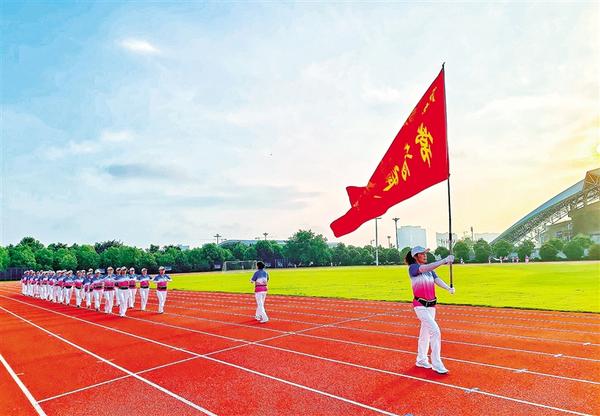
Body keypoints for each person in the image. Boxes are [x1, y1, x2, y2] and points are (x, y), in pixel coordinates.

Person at [405, 246, 455, 374]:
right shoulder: (413, 268)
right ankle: (437, 364)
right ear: (415, 256)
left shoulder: (430, 271)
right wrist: (444, 261)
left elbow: (437, 280)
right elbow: (425, 268)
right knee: (435, 331)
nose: (425, 255)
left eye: (425, 253)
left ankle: (421, 359)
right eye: (422, 253)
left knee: (425, 333)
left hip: (431, 306)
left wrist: (448, 288)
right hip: (420, 305)